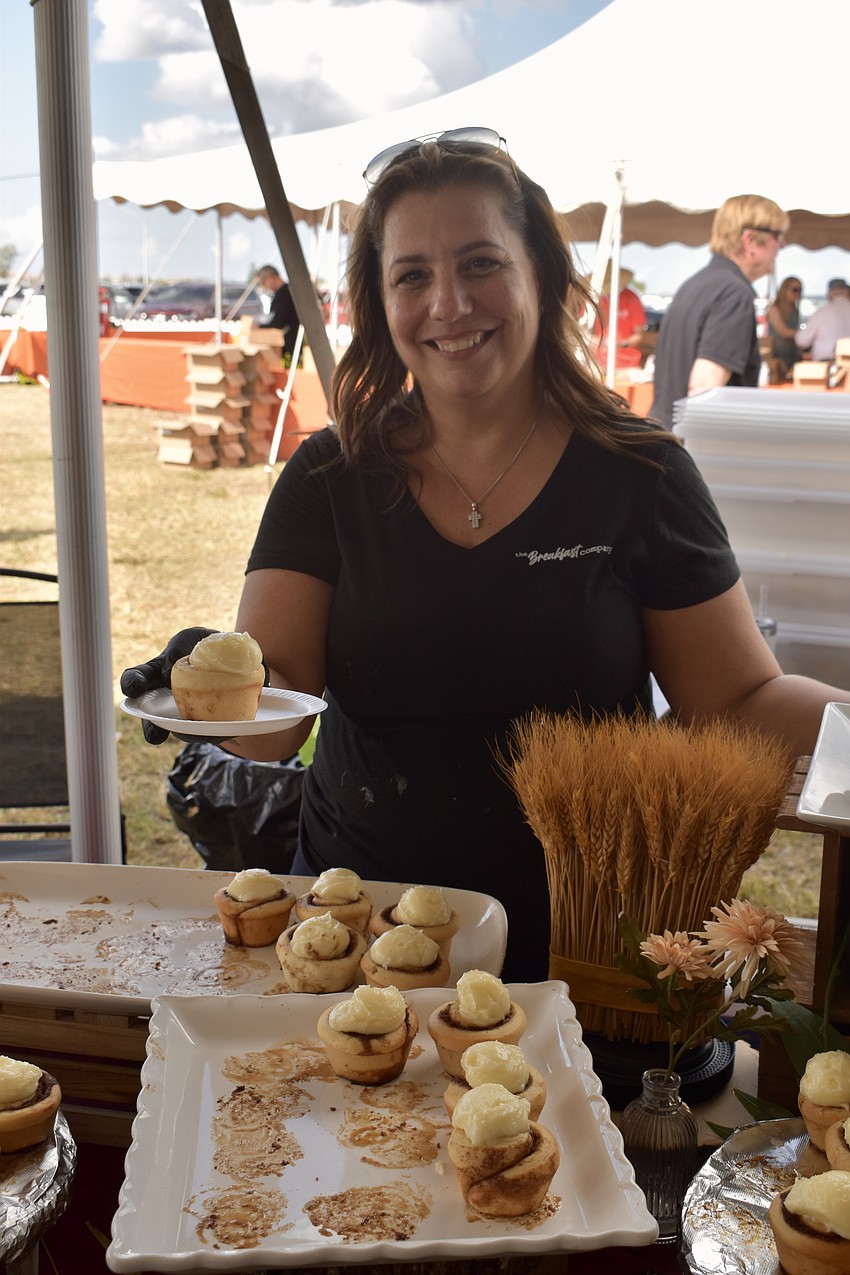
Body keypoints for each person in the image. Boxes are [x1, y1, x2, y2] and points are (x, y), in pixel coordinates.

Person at [122, 132, 849, 982]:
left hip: (578, 951)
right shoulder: (329, 478)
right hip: (355, 943)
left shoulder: (639, 475)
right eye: (412, 276)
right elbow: (276, 719)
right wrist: (209, 684)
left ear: (542, 274)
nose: (450, 303)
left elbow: (738, 699)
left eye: (480, 263)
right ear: (379, 302)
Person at [650, 195, 789, 428]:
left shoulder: (697, 283)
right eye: (778, 236)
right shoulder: (733, 294)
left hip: (666, 435)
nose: (782, 245)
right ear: (750, 241)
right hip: (692, 443)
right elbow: (704, 389)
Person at [589, 264, 648, 372]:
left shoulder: (631, 298)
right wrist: (596, 341)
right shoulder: (595, 299)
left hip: (628, 364)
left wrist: (621, 344)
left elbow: (639, 335)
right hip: (600, 362)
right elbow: (585, 329)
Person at [795, 278, 850, 363]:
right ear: (847, 292)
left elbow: (801, 341)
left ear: (830, 294)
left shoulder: (822, 312)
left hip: (827, 364)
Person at [256, 264, 299, 359]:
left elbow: (278, 322)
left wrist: (260, 326)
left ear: (270, 278)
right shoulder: (282, 292)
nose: (264, 286)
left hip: (290, 345)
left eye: (263, 282)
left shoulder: (284, 293)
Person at [767, 276, 803, 382]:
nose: (797, 294)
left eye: (800, 290)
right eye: (794, 290)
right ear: (784, 289)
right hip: (777, 354)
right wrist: (805, 334)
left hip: (792, 354)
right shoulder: (774, 309)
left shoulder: (795, 311)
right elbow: (783, 332)